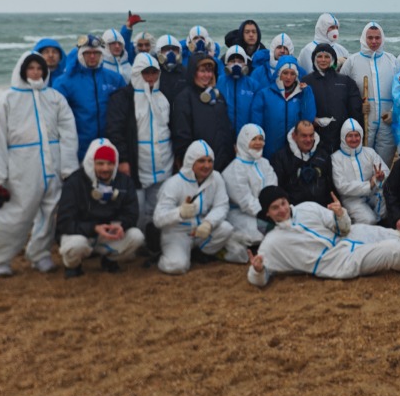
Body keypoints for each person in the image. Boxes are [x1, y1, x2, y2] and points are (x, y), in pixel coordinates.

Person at [0, 52, 78, 278]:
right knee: (14, 214)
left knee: (50, 212)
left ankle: (39, 253)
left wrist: (68, 167)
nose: (36, 73)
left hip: (52, 165)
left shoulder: (55, 97)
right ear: (22, 71)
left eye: (40, 69)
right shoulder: (7, 99)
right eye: (31, 68)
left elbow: (68, 133)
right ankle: (1, 259)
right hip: (21, 167)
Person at [245, 187, 400, 287]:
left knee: (397, 235)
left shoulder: (307, 208)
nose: (282, 209)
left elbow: (343, 228)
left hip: (347, 239)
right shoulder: (272, 242)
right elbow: (258, 278)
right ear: (267, 213)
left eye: (283, 203)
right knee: (394, 249)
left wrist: (340, 214)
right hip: (341, 263)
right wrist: (257, 270)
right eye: (275, 208)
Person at [105, 53, 174, 239]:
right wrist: (124, 159)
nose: (151, 77)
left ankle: (152, 241)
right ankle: (135, 240)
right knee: (137, 207)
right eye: (146, 73)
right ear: (137, 73)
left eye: (154, 73)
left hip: (163, 163)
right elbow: (115, 131)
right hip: (136, 164)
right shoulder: (123, 98)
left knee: (157, 206)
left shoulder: (163, 98)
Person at [55, 138, 145, 277]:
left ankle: (109, 259)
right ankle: (73, 265)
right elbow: (64, 222)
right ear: (92, 163)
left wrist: (121, 225)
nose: (105, 168)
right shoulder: (75, 183)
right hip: (81, 233)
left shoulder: (124, 182)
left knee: (136, 236)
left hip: (108, 234)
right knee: (76, 245)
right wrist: (93, 228)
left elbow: (131, 213)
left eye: (110, 163)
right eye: (100, 163)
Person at [151, 142, 235, 275]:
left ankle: (199, 253)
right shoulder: (174, 184)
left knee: (226, 229)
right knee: (177, 266)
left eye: (209, 161)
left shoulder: (216, 178)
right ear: (190, 162)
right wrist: (179, 212)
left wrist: (208, 223)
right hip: (177, 231)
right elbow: (158, 218)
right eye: (201, 161)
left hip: (200, 228)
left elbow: (222, 205)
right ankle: (167, 256)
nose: (206, 165)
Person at [53, 33, 128, 160]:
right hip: (79, 150)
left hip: (109, 147)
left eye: (96, 53)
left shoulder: (115, 79)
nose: (92, 56)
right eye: (87, 53)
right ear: (80, 55)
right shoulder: (64, 82)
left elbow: (125, 114)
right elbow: (56, 118)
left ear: (102, 54)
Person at [340, 22, 397, 164]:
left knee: (383, 163)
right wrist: (357, 107)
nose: (374, 41)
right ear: (363, 38)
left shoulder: (392, 61)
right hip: (363, 120)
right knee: (363, 160)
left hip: (387, 121)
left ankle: (382, 185)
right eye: (370, 38)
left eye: (377, 38)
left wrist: (394, 112)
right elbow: (342, 91)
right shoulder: (352, 61)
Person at [220, 124, 277, 264]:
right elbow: (246, 202)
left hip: (265, 213)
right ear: (244, 142)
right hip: (239, 214)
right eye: (254, 139)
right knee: (261, 233)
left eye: (261, 139)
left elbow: (272, 189)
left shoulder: (264, 163)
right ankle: (230, 240)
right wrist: (270, 215)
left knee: (277, 229)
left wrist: (274, 210)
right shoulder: (235, 169)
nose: (258, 143)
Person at [170, 52, 235, 169]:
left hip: (223, 160)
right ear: (193, 73)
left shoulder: (218, 96)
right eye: (202, 71)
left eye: (210, 71)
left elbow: (226, 128)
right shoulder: (184, 98)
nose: (207, 75)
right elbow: (182, 135)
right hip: (200, 163)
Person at [250, 56, 316, 158]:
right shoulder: (264, 94)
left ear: (296, 76)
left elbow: (308, 119)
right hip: (269, 149)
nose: (288, 77)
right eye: (285, 73)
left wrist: (307, 94)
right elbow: (256, 124)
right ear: (279, 73)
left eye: (292, 73)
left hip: (294, 150)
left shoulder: (302, 94)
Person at [302, 42, 363, 153]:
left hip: (341, 135)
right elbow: (301, 108)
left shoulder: (345, 81)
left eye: (327, 57)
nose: (323, 60)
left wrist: (357, 130)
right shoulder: (306, 81)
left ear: (333, 59)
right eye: (319, 56)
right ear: (314, 59)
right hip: (316, 135)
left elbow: (355, 109)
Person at [331, 118, 388, 225]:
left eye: (357, 135)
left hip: (373, 194)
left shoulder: (369, 152)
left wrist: (381, 176)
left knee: (387, 209)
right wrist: (369, 185)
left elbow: (385, 171)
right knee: (369, 220)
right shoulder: (336, 158)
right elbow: (341, 187)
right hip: (352, 199)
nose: (354, 139)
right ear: (343, 137)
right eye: (350, 136)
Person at [271, 119, 335, 207]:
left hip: (321, 210)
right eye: (304, 136)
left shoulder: (323, 156)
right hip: (294, 211)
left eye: (311, 135)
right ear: (294, 136)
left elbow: (331, 187)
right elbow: (278, 189)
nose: (308, 140)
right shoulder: (281, 158)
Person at [218, 45, 260, 139]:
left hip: (246, 136)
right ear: (226, 63)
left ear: (245, 64)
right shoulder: (218, 82)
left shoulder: (253, 85)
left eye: (240, 61)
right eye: (232, 61)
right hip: (223, 135)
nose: (236, 64)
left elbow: (256, 113)